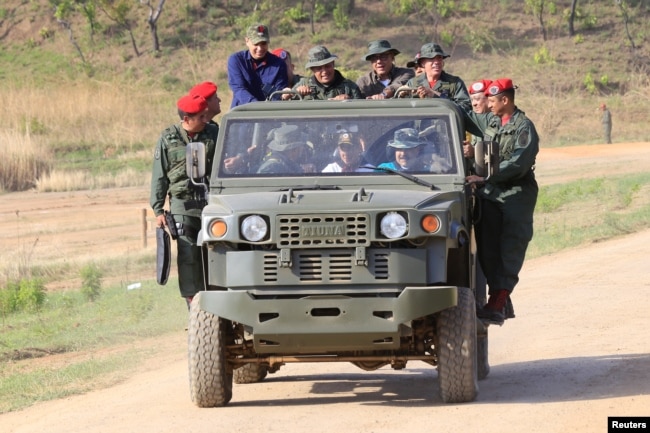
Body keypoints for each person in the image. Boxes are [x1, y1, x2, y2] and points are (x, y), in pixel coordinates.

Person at [464, 78, 538, 324]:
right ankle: (500, 297)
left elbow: (518, 162)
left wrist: (486, 175)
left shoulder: (524, 127)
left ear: (505, 100)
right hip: (491, 192)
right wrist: (431, 95)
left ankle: (498, 299)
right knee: (487, 245)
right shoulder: (491, 121)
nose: (488, 104)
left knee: (511, 245)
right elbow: (464, 116)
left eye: (493, 100)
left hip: (516, 193)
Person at [150, 93, 219, 307]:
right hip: (182, 204)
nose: (205, 120)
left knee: (216, 251)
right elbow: (159, 175)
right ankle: (194, 302)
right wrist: (158, 210)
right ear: (187, 119)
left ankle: (218, 298)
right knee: (188, 253)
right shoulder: (168, 139)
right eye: (200, 117)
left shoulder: (213, 133)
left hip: (212, 202)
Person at [227, 23, 288, 108]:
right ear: (247, 41)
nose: (260, 48)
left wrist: (284, 94)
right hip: (242, 114)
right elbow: (239, 89)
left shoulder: (279, 64)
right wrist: (256, 107)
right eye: (256, 44)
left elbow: (278, 94)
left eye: (263, 43)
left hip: (269, 114)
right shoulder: (236, 61)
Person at [404, 42, 471, 112]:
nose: (436, 62)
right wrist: (401, 96)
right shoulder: (413, 83)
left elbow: (466, 109)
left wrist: (436, 95)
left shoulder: (455, 83)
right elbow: (401, 110)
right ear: (422, 63)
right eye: (431, 58)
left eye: (439, 58)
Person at [286, 45, 363, 101]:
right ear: (312, 70)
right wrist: (293, 93)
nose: (324, 71)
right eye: (319, 68)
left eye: (327, 66)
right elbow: (284, 103)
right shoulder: (303, 84)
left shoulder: (350, 87)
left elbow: (360, 114)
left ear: (333, 64)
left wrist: (349, 101)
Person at [462, 79, 492, 161]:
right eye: (472, 100)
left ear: (490, 99)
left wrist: (475, 152)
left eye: (478, 99)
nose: (474, 104)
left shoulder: (497, 121)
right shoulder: (473, 121)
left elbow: (500, 153)